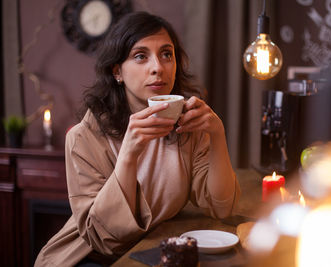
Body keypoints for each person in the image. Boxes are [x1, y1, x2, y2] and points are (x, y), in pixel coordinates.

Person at [34, 11, 240, 266]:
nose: (158, 67)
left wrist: (217, 135)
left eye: (167, 54)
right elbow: (106, 238)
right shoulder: (83, 138)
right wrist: (129, 153)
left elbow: (221, 208)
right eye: (141, 56)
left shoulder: (189, 126)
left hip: (150, 250)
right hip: (87, 257)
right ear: (117, 71)